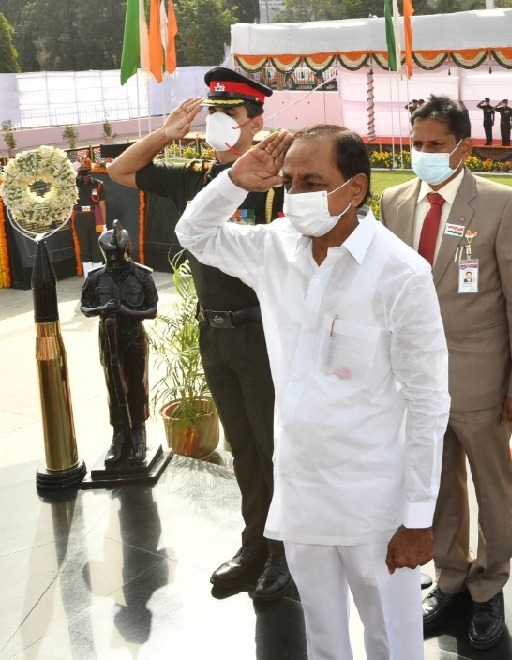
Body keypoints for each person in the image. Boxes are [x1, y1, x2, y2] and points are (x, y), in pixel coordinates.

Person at [174, 125, 449, 660]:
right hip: (300, 488)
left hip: (374, 498)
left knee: (391, 635)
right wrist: (235, 180)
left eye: (312, 181)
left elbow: (427, 400)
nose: (296, 194)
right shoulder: (276, 248)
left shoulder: (400, 273)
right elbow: (195, 233)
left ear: (355, 189)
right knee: (321, 636)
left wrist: (418, 516)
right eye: (291, 181)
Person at [106, 67, 291, 601]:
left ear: (255, 120)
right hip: (215, 332)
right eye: (211, 114)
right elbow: (120, 172)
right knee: (242, 447)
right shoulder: (196, 175)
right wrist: (165, 133)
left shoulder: (280, 181)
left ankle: (286, 551)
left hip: (264, 333)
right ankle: (255, 542)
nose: (216, 124)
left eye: (228, 114)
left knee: (275, 446)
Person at [378, 95, 512, 651]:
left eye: (436, 145)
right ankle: (451, 579)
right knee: (437, 484)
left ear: (462, 147)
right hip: (416, 381)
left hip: (481, 379)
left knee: (491, 489)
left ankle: (488, 586)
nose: (424, 154)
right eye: (417, 144)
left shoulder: (500, 204)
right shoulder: (395, 202)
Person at [80, 221, 158, 465]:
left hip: (133, 338)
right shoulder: (95, 278)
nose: (114, 262)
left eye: (118, 257)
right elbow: (85, 306)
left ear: (128, 250)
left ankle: (138, 434)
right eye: (110, 258)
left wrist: (124, 310)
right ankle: (120, 436)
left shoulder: (142, 275)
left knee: (136, 385)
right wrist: (102, 309)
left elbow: (152, 309)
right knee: (114, 388)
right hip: (108, 340)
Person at [73, 157, 107, 277]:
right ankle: (88, 277)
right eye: (81, 168)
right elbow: (65, 175)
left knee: (96, 247)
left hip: (95, 218)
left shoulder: (98, 184)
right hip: (80, 219)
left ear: (90, 168)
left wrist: (103, 223)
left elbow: (102, 205)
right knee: (84, 247)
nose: (84, 170)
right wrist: (77, 163)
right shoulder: (73, 183)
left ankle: (97, 276)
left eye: (86, 168)